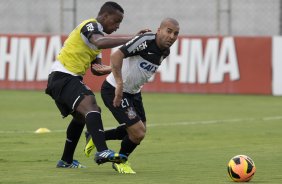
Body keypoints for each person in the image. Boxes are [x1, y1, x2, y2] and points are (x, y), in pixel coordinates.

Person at [45, 1, 149, 168]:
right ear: (105, 16)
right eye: (116, 21)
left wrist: (111, 68)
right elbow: (100, 42)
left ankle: (66, 160)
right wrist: (134, 40)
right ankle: (102, 150)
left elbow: (96, 69)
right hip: (62, 76)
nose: (117, 26)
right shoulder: (91, 26)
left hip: (67, 79)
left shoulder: (97, 38)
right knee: (91, 106)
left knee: (81, 117)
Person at [84, 18, 180, 173]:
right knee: (138, 132)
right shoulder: (145, 41)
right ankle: (120, 161)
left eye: (175, 34)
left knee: (138, 133)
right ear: (159, 30)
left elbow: (132, 64)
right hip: (114, 90)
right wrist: (119, 84)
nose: (171, 36)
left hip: (134, 93)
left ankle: (95, 136)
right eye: (168, 31)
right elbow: (117, 56)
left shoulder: (165, 51)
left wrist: (110, 69)